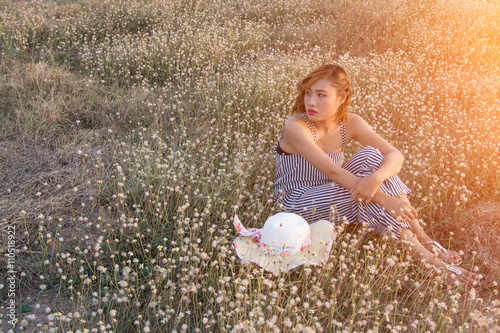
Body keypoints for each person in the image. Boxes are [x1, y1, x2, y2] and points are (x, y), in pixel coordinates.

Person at [273, 64, 479, 287]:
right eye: (309, 93)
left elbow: (395, 155)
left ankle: (424, 239)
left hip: (333, 187)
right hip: (296, 203)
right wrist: (385, 200)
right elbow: (332, 171)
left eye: (322, 95)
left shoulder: (350, 123)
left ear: (342, 98)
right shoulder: (296, 125)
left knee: (372, 156)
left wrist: (376, 178)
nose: (311, 102)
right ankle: (430, 262)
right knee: (364, 196)